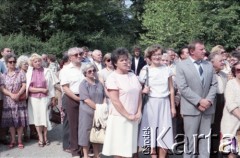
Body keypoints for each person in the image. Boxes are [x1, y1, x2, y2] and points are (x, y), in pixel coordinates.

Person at [176, 40, 217, 158]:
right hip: (191, 109)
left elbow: (214, 85)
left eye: (204, 49)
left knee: (205, 141)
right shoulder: (181, 65)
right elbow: (183, 87)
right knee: (190, 142)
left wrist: (208, 100)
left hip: (207, 109)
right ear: (192, 51)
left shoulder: (208, 65)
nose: (205, 51)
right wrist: (199, 101)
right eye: (201, 49)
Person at [102, 48, 142, 157]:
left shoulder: (132, 75)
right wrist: (128, 115)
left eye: (127, 60)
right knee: (119, 151)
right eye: (122, 60)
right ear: (115, 63)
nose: (126, 62)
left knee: (129, 150)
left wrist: (138, 112)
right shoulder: (112, 78)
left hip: (133, 117)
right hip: (119, 119)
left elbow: (139, 94)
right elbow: (115, 101)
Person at [138, 45, 176, 158]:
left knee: (164, 133)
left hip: (164, 103)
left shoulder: (166, 68)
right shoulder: (145, 70)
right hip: (151, 104)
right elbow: (138, 88)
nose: (157, 57)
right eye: (154, 55)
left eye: (159, 54)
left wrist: (172, 106)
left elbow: (171, 89)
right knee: (151, 133)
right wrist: (143, 90)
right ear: (149, 56)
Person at [26, 53, 56, 147]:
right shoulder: (30, 72)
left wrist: (53, 97)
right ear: (32, 63)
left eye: (39, 61)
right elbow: (29, 88)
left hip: (45, 97)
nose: (38, 63)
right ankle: (40, 138)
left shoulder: (47, 71)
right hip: (33, 98)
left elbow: (51, 86)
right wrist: (41, 89)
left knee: (45, 117)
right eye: (35, 61)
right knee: (37, 118)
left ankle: (46, 137)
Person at [60, 47, 85, 158]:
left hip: (86, 98)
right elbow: (65, 87)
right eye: (76, 55)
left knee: (85, 125)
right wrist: (76, 98)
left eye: (80, 54)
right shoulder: (65, 70)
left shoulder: (87, 67)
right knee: (73, 125)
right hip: (72, 98)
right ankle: (75, 150)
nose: (79, 56)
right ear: (70, 57)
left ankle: (85, 148)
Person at [0, 54, 28, 149]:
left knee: (20, 121)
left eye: (14, 61)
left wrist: (18, 94)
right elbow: (2, 88)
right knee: (11, 122)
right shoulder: (3, 75)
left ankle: (19, 140)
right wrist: (11, 95)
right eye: (10, 62)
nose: (12, 63)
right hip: (9, 101)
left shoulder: (21, 73)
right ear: (6, 63)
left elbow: (24, 85)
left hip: (19, 100)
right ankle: (13, 140)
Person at [78, 63, 105, 158]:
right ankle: (85, 154)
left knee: (96, 132)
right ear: (85, 73)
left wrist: (102, 108)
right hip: (87, 112)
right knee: (85, 132)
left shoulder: (98, 82)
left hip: (98, 112)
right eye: (89, 71)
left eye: (93, 70)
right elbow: (86, 100)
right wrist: (98, 108)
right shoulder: (83, 84)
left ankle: (96, 154)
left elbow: (104, 96)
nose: (92, 72)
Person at [208, 52, 228, 158]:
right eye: (220, 61)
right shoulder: (207, 74)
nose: (223, 62)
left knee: (218, 131)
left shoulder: (224, 75)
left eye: (223, 60)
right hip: (210, 106)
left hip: (221, 105)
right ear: (212, 62)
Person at [220, 62, 240, 158]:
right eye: (238, 70)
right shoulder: (230, 84)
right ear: (234, 72)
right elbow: (231, 105)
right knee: (231, 152)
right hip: (231, 123)